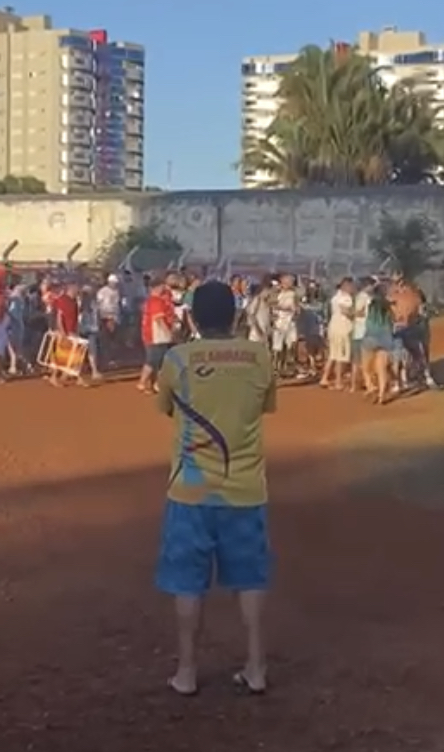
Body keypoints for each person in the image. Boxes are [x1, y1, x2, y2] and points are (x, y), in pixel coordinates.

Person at [155, 280, 276, 696]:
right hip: (245, 490)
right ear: (237, 316)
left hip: (190, 490)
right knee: (251, 579)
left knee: (188, 582)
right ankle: (256, 667)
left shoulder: (177, 359)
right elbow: (264, 407)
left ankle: (187, 672)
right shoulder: (260, 357)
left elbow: (166, 407)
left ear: (191, 317)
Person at [138, 277, 177, 394]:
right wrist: (168, 332)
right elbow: (159, 319)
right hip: (155, 335)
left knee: (159, 361)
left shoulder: (153, 300)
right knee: (152, 360)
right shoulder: (155, 301)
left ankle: (155, 384)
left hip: (155, 335)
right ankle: (142, 382)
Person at [320, 277, 354, 390]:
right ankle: (338, 381)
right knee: (340, 355)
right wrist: (358, 313)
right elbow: (346, 311)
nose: (352, 288)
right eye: (350, 285)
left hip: (335, 327)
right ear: (345, 286)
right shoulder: (344, 298)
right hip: (341, 328)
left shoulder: (335, 297)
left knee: (333, 354)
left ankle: (325, 378)